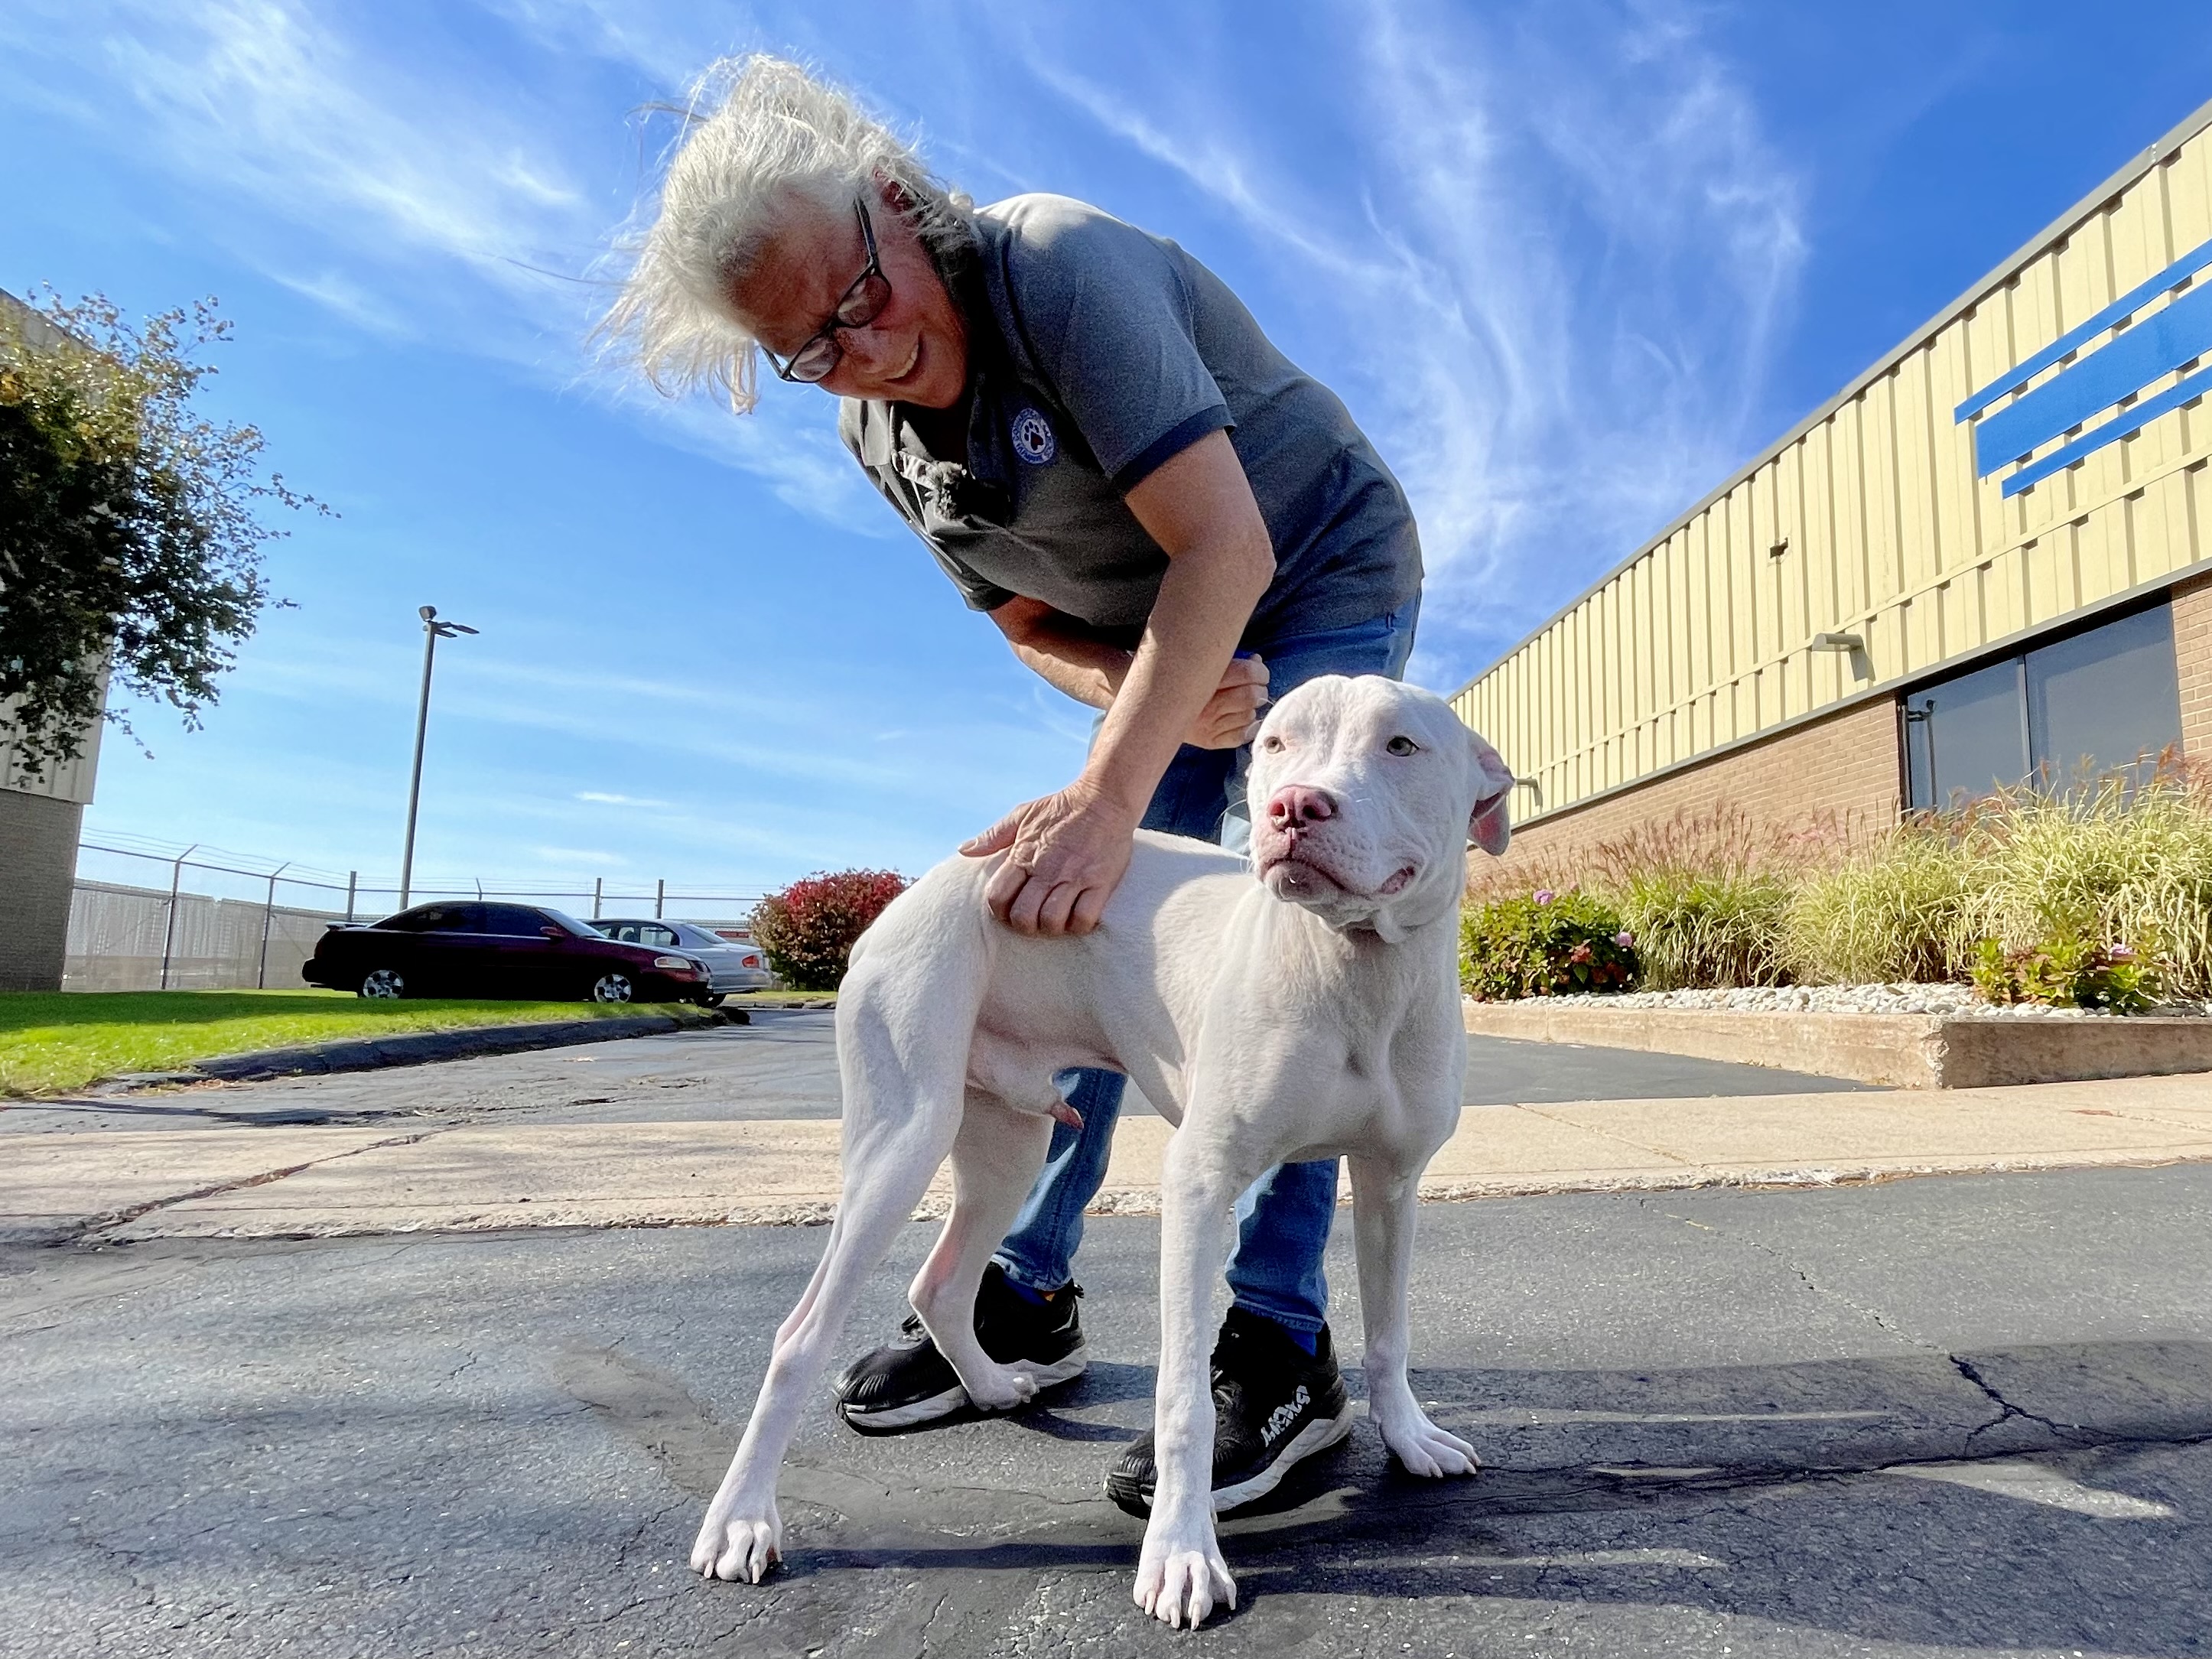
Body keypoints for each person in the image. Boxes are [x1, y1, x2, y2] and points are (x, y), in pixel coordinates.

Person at [603, 57, 1423, 1517]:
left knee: (1289, 938)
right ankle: (1019, 1299)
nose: (853, 352)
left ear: (902, 207)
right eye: (807, 349)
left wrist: (1112, 794)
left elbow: (1223, 554)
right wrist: (1127, 705)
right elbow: (1032, 628)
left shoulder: (1059, 270)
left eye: (857, 298)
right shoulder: (879, 431)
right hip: (1162, 625)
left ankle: (1280, 1347)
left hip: (1305, 564)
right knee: (1091, 926)